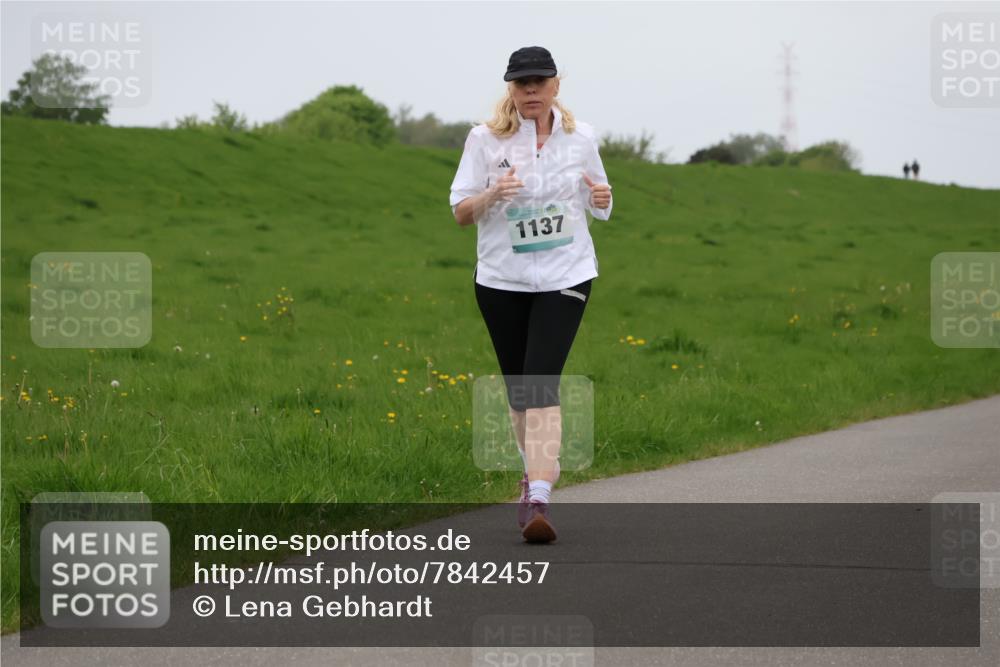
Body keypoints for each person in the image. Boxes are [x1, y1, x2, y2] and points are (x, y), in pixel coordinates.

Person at [449, 46, 613, 543]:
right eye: (522, 84)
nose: (531, 91)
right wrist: (492, 195)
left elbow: (598, 196)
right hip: (501, 280)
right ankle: (534, 473)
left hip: (567, 274)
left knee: (542, 381)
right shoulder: (484, 140)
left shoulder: (581, 138)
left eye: (540, 82)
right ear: (511, 89)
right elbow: (460, 211)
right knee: (520, 393)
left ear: (556, 85)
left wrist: (603, 200)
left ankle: (539, 494)